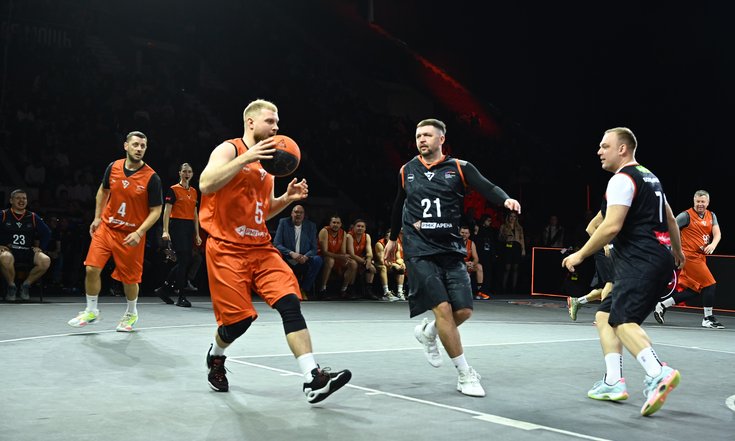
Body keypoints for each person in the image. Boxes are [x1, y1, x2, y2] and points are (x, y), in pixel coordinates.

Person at [198, 99, 350, 403]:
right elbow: (205, 184)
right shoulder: (230, 149)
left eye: (277, 122)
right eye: (270, 121)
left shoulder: (269, 166)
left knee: (290, 303)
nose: (276, 127)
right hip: (227, 249)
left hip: (261, 247)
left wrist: (286, 199)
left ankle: (312, 378)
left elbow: (263, 212)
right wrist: (246, 157)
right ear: (251, 122)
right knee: (237, 323)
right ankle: (216, 355)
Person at [383, 118, 521, 397]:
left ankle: (429, 332)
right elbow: (398, 205)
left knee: (464, 311)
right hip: (419, 249)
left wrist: (505, 199)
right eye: (418, 136)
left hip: (450, 248)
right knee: (444, 310)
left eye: (427, 135)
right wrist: (392, 239)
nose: (422, 140)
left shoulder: (459, 167)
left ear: (441, 139)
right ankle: (464, 374)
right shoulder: (406, 170)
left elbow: (487, 187)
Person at [562, 127, 685, 416]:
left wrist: (580, 254)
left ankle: (658, 372)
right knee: (605, 316)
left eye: (605, 146)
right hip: (656, 258)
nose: (599, 151)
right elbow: (670, 218)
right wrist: (678, 253)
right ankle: (613, 382)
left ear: (622, 149)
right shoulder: (649, 177)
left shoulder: (622, 178)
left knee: (623, 320)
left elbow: (611, 225)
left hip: (640, 260)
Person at [67, 131, 163, 332]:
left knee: (130, 280)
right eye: (135, 144)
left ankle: (131, 313)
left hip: (131, 235)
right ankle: (91, 310)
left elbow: (156, 211)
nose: (139, 149)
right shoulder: (113, 167)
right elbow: (103, 191)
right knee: (91, 268)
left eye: (143, 146)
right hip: (107, 228)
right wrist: (97, 217)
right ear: (126, 146)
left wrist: (139, 232)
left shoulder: (152, 177)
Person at [654, 190, 724, 328]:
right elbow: (671, 228)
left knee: (693, 290)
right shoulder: (686, 216)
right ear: (694, 201)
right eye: (698, 201)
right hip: (689, 256)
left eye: (703, 201)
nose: (700, 204)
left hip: (701, 256)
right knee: (710, 284)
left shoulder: (711, 215)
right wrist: (674, 249)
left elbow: (717, 233)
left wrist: (713, 245)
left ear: (707, 202)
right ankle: (708, 318)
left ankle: (662, 305)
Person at [155, 163, 202, 308]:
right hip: (177, 225)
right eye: (184, 171)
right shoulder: (173, 190)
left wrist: (197, 234)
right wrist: (165, 230)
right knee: (183, 260)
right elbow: (167, 211)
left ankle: (164, 289)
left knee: (185, 261)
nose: (187, 174)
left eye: (189, 172)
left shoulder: (194, 191)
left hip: (188, 227)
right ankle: (181, 296)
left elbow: (195, 214)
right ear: (180, 173)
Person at [0, 189, 52, 301]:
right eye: (18, 198)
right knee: (5, 257)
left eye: (24, 198)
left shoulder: (32, 216)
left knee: (45, 260)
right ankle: (11, 286)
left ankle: (26, 285)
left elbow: (47, 233)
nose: (21, 200)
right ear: (11, 200)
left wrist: (41, 248)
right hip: (9, 250)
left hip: (27, 250)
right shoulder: (3, 214)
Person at [567, 209, 614, 321]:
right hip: (604, 251)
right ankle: (603, 316)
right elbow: (590, 228)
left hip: (615, 251)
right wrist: (604, 244)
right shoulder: (608, 208)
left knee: (608, 287)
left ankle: (577, 302)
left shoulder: (626, 210)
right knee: (611, 282)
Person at [273, 204, 323, 298]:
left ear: (304, 215)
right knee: (275, 256)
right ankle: (282, 291)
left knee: (318, 260)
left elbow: (314, 248)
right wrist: (291, 253)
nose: (298, 214)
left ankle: (303, 289)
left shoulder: (311, 226)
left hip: (304, 259)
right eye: (296, 212)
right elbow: (276, 243)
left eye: (301, 213)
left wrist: (306, 256)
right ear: (292, 213)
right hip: (287, 258)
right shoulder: (283, 222)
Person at [317, 215, 357, 298]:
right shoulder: (324, 231)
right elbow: (324, 252)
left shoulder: (343, 233)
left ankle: (344, 290)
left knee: (353, 263)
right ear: (330, 223)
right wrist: (340, 256)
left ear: (341, 224)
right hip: (322, 257)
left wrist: (344, 257)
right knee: (330, 261)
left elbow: (343, 251)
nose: (336, 224)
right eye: (334, 222)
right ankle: (322, 289)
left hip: (337, 257)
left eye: (338, 223)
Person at [346, 219, 378, 299]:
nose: (360, 228)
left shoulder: (367, 236)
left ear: (365, 228)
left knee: (371, 268)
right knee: (354, 264)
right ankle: (350, 290)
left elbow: (369, 252)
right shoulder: (349, 236)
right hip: (349, 259)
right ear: (353, 227)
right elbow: (351, 254)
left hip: (360, 258)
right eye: (358, 226)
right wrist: (365, 262)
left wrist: (369, 260)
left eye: (362, 226)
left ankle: (368, 291)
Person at [373, 229, 405, 301]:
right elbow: (382, 261)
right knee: (383, 267)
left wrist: (401, 263)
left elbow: (399, 258)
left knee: (401, 268)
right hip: (377, 264)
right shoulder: (380, 244)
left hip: (389, 264)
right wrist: (394, 264)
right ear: (386, 237)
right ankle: (386, 292)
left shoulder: (397, 244)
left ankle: (400, 292)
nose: (392, 239)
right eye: (390, 237)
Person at [459, 226, 489, 300]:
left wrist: (472, 263)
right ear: (459, 233)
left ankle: (480, 291)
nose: (464, 235)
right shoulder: (455, 242)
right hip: (457, 265)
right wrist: (465, 263)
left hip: (467, 265)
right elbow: (453, 258)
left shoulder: (471, 243)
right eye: (462, 233)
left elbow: (476, 258)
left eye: (466, 233)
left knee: (479, 266)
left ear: (469, 234)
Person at [498, 212, 525, 293]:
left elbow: (522, 239)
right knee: (507, 267)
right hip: (508, 247)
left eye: (514, 216)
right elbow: (499, 238)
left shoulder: (519, 227)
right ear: (508, 217)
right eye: (511, 216)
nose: (512, 218)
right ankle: (503, 288)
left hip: (517, 247)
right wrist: (505, 237)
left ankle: (514, 288)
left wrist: (523, 250)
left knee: (515, 268)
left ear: (516, 218)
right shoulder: (503, 226)